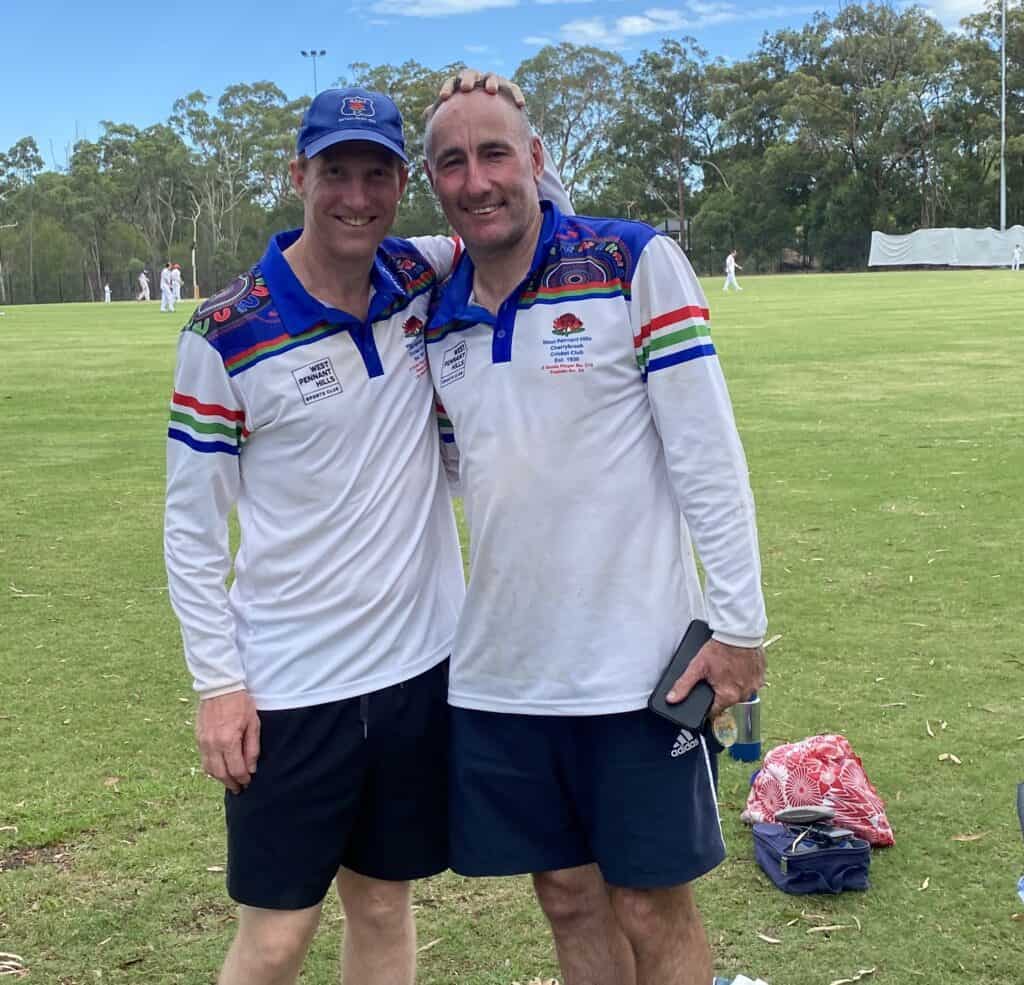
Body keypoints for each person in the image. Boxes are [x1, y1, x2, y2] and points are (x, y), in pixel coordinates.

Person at [165, 78, 571, 985]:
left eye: (378, 174)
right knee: (276, 933)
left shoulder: (419, 271)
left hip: (416, 671)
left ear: (402, 184)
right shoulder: (226, 331)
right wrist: (218, 684)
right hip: (290, 686)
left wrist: (488, 95)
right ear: (298, 173)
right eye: (336, 172)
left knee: (384, 905)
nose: (356, 196)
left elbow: (533, 217)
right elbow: (191, 529)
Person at [422, 86, 767, 985]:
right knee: (567, 896)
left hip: (638, 668)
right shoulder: (442, 313)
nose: (477, 179)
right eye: (453, 162)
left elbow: (709, 457)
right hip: (506, 673)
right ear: (434, 181)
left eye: (496, 153)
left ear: (536, 159)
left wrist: (739, 628)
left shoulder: (632, 259)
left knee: (652, 905)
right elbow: (476, 465)